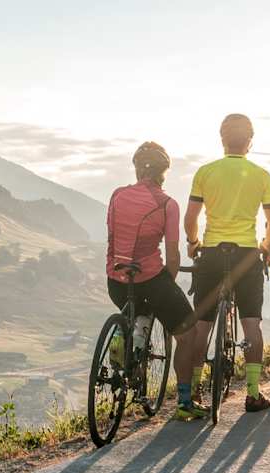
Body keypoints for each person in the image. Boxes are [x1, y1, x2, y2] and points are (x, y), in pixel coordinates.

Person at [183, 113, 270, 413]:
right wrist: (265, 247)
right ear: (249, 142)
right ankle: (253, 393)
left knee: (202, 326)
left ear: (222, 139)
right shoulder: (262, 175)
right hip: (247, 254)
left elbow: (191, 218)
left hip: (212, 253)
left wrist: (193, 242)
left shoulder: (205, 172)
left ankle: (197, 392)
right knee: (251, 323)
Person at [106, 142, 206, 420]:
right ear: (164, 173)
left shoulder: (117, 195)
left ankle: (125, 338)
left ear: (137, 169)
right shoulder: (167, 205)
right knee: (189, 336)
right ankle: (185, 403)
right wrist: (168, 286)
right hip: (150, 279)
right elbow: (172, 256)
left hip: (115, 279)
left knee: (134, 306)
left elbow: (113, 239)